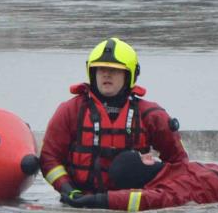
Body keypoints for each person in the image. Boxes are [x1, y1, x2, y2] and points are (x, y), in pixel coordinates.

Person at [39, 38, 187, 198]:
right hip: (81, 201)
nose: (106, 74)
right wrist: (68, 191)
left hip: (132, 204)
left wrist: (160, 194)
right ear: (92, 72)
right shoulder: (70, 111)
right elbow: (49, 158)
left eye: (114, 70)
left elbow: (179, 164)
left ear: (129, 75)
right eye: (101, 69)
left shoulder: (151, 115)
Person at [61, 148, 218, 211]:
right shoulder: (171, 188)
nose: (149, 155)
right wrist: (94, 200)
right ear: (142, 169)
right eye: (143, 157)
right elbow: (140, 200)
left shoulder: (173, 168)